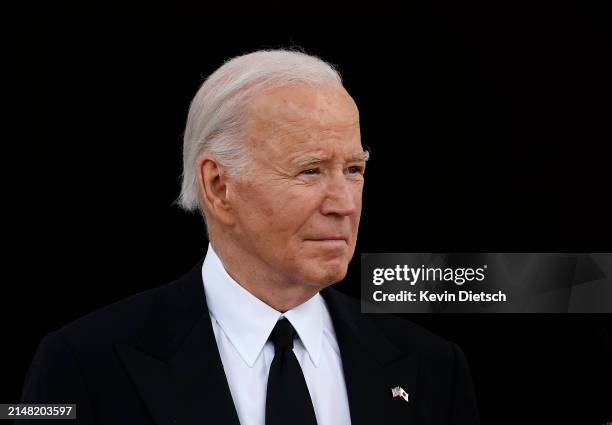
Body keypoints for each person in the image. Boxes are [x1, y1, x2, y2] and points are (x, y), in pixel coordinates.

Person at [19, 49, 480, 425]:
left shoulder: (432, 368)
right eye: (310, 170)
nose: (345, 203)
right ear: (219, 187)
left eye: (354, 170)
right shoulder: (83, 363)